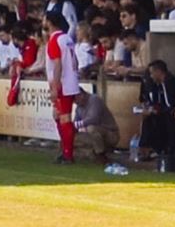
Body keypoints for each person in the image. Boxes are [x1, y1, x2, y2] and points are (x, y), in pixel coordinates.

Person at [43, 10, 81, 164]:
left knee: (64, 118)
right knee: (58, 116)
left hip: (62, 85)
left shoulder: (55, 40)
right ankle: (65, 149)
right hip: (70, 82)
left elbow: (57, 64)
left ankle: (68, 154)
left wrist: (55, 87)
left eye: (44, 19)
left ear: (49, 22)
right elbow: (75, 60)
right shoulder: (67, 38)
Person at [72, 88, 121, 163]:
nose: (75, 102)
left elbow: (94, 119)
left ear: (81, 95)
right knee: (73, 137)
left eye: (75, 99)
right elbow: (75, 123)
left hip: (110, 133)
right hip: (94, 136)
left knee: (91, 128)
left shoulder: (94, 100)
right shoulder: (79, 107)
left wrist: (77, 124)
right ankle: (92, 152)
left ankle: (100, 154)